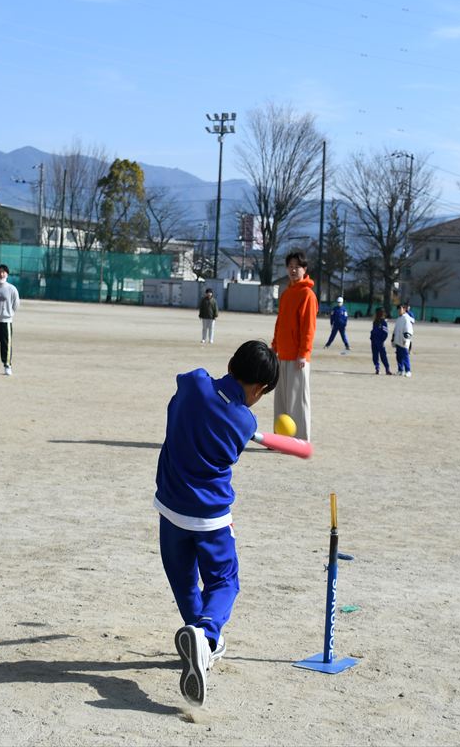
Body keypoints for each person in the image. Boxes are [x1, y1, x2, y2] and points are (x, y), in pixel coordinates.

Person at [154, 340, 279, 707]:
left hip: (171, 509)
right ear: (258, 389)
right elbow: (233, 413)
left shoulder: (194, 383)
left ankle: (200, 638)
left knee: (184, 582)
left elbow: (191, 383)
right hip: (210, 518)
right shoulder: (244, 422)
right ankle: (207, 637)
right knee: (224, 580)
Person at [271, 251, 317, 440]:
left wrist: (303, 354)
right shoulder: (287, 293)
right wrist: (274, 346)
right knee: (281, 400)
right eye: (290, 266)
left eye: (297, 267)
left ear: (304, 269)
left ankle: (300, 437)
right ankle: (280, 437)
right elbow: (280, 322)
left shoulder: (307, 295)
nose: (293, 270)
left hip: (298, 357)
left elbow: (309, 328)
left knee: (298, 400)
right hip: (282, 354)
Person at [392, 301, 415, 377]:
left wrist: (406, 339)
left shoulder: (406, 318)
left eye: (400, 309)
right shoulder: (399, 318)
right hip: (398, 340)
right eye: (398, 309)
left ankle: (408, 371)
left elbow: (408, 330)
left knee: (405, 356)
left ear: (404, 309)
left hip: (404, 341)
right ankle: (400, 370)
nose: (399, 311)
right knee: (398, 356)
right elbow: (395, 329)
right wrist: (393, 338)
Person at [370, 307, 391, 375]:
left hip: (380, 342)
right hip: (374, 341)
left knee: (383, 356)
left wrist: (382, 341)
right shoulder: (375, 322)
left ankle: (387, 369)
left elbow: (385, 333)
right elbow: (374, 331)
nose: (375, 314)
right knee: (375, 356)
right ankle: (377, 368)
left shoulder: (383, 322)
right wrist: (372, 337)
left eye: (376, 313)